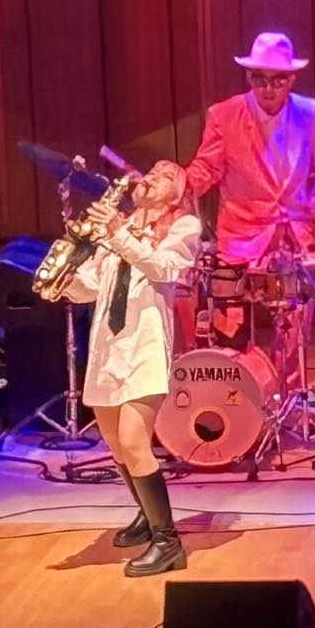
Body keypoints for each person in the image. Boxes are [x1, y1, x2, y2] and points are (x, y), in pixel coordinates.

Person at [59, 160, 200, 577]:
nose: (153, 176)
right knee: (117, 445)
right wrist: (65, 276)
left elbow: (162, 268)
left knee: (135, 441)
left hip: (144, 348)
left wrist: (118, 232)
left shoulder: (184, 227)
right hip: (108, 349)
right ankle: (146, 516)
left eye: (167, 176)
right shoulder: (113, 229)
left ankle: (168, 543)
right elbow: (90, 287)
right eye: (152, 170)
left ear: (178, 198)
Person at [184, 33, 315, 268]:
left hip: (298, 238)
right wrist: (179, 185)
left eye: (277, 81)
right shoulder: (224, 115)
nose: (268, 89)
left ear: (291, 80)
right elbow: (207, 168)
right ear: (249, 78)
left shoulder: (311, 113)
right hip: (242, 243)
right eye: (260, 80)